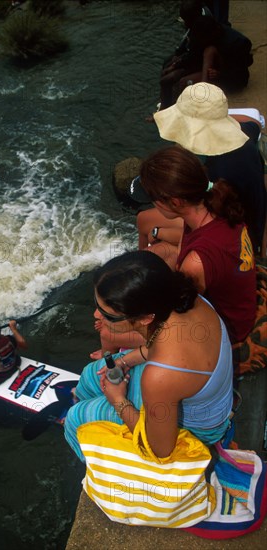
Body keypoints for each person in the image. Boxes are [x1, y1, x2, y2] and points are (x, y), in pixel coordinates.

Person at [64, 250, 233, 461]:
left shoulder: (159, 375)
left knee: (75, 419)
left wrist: (118, 400)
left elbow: (161, 449)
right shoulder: (182, 299)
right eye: (97, 305)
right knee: (91, 374)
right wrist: (125, 360)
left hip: (197, 431)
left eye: (108, 315)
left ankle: (100, 464)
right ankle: (89, 402)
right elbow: (161, 346)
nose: (96, 315)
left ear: (145, 318)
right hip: (196, 393)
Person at [139, 145, 256, 345]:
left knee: (114, 331)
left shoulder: (196, 261)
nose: (152, 204)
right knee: (157, 253)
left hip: (228, 331)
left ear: (175, 203)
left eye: (154, 199)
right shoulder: (217, 207)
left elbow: (181, 314)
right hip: (240, 305)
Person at [137, 83, 266, 256]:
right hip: (254, 211)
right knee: (145, 221)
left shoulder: (219, 175)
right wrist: (215, 117)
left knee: (147, 225)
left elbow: (207, 226)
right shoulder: (244, 133)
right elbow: (254, 121)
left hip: (242, 231)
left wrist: (159, 233)